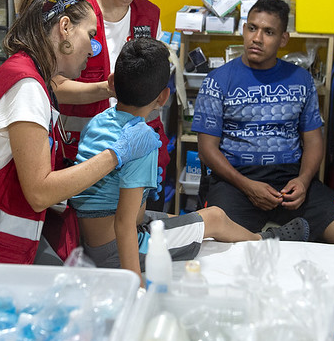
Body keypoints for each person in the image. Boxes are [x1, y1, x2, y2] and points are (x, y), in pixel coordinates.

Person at [0, 0, 162, 266]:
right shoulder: (27, 89)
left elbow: (55, 94)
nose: (93, 50)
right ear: (65, 28)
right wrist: (117, 154)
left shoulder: (25, 71)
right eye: (91, 36)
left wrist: (107, 89)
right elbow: (40, 192)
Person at [69, 38, 309, 284]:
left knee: (192, 218)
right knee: (214, 217)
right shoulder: (141, 141)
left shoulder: (99, 121)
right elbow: (125, 223)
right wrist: (135, 284)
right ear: (163, 97)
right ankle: (264, 240)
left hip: (92, 236)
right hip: (113, 250)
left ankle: (256, 235)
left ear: (111, 83)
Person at [192, 0, 334, 245]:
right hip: (236, 181)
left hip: (289, 181)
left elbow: (313, 141)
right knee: (216, 245)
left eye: (269, 32)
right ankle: (265, 239)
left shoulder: (301, 80)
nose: (257, 38)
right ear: (244, 29)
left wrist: (303, 180)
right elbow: (206, 149)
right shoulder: (217, 80)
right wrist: (248, 187)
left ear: (283, 39)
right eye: (252, 28)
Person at [53, 0, 170, 188]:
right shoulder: (73, 16)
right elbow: (54, 87)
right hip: (83, 154)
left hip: (139, 152)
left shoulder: (150, 16)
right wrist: (109, 89)